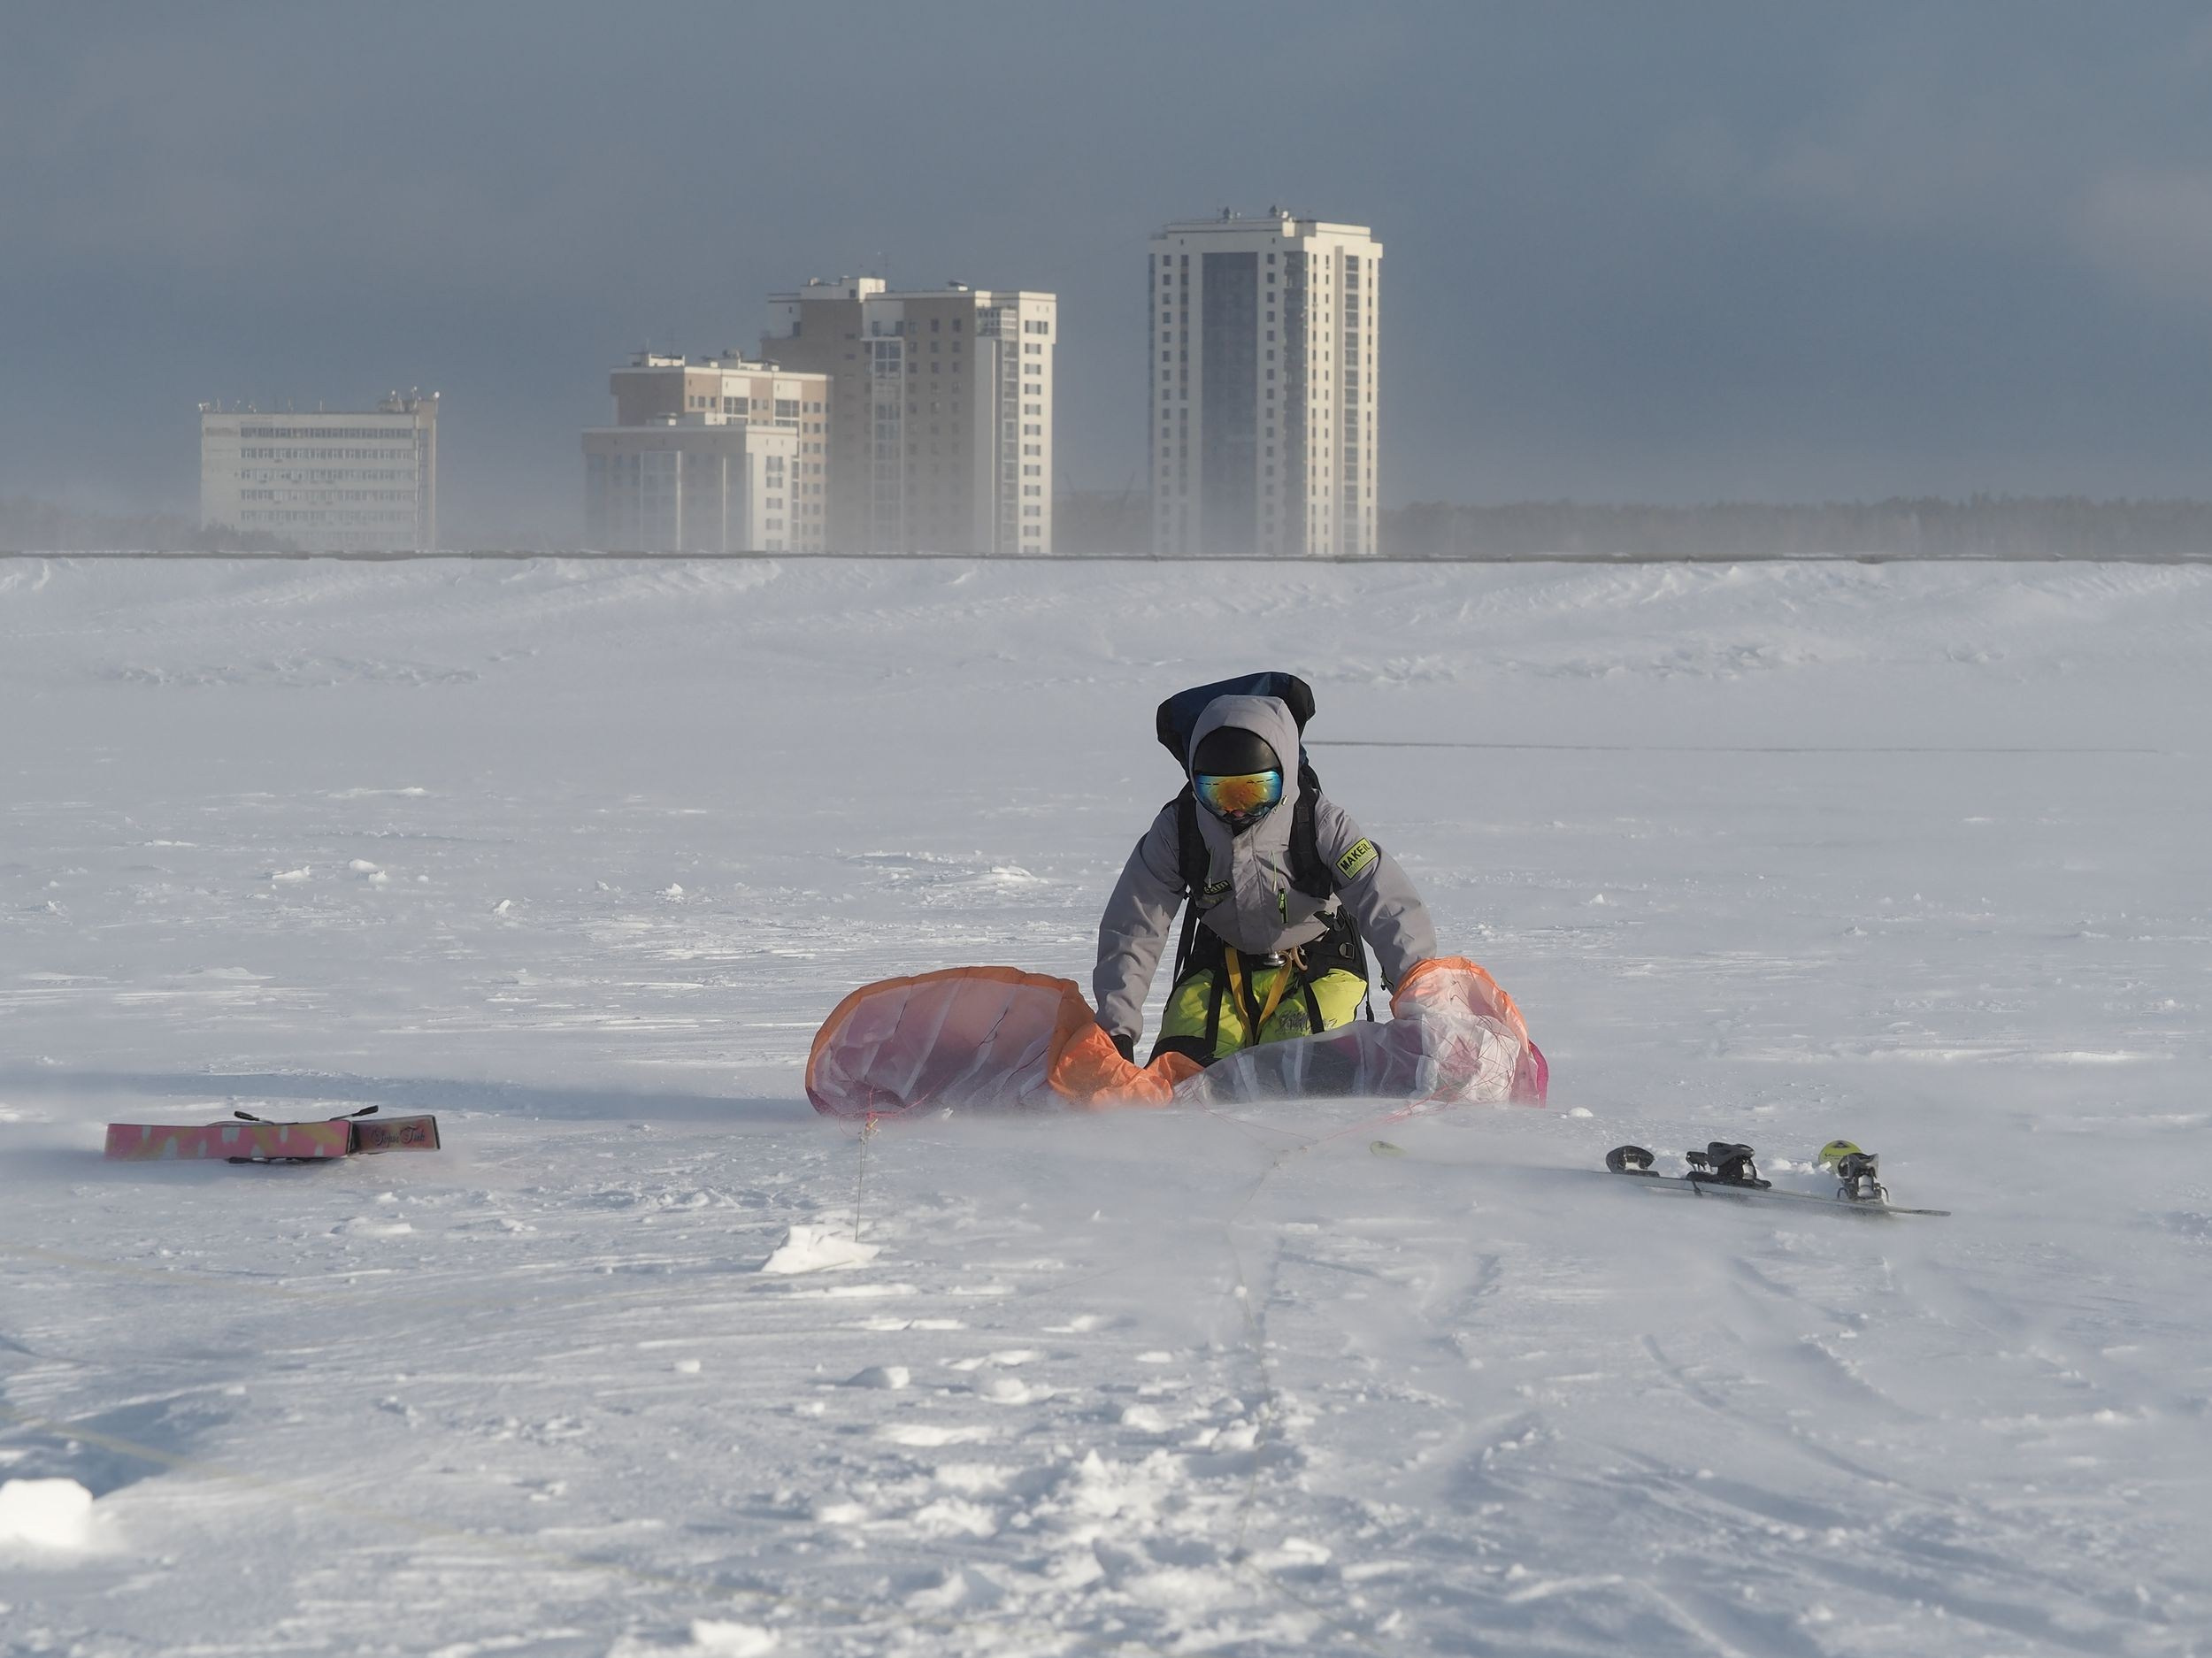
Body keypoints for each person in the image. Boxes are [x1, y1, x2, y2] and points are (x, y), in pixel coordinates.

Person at [1094, 675, 1438, 1067]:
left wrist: (1420, 1004)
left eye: (1254, 791)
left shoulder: (1319, 822)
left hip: (1318, 963)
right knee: (1183, 1074)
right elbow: (1134, 926)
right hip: (1219, 965)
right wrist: (1115, 1031)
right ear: (1195, 782)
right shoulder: (1179, 830)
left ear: (1283, 777)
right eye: (1220, 794)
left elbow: (1388, 904)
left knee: (1299, 1072)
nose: (1236, 809)